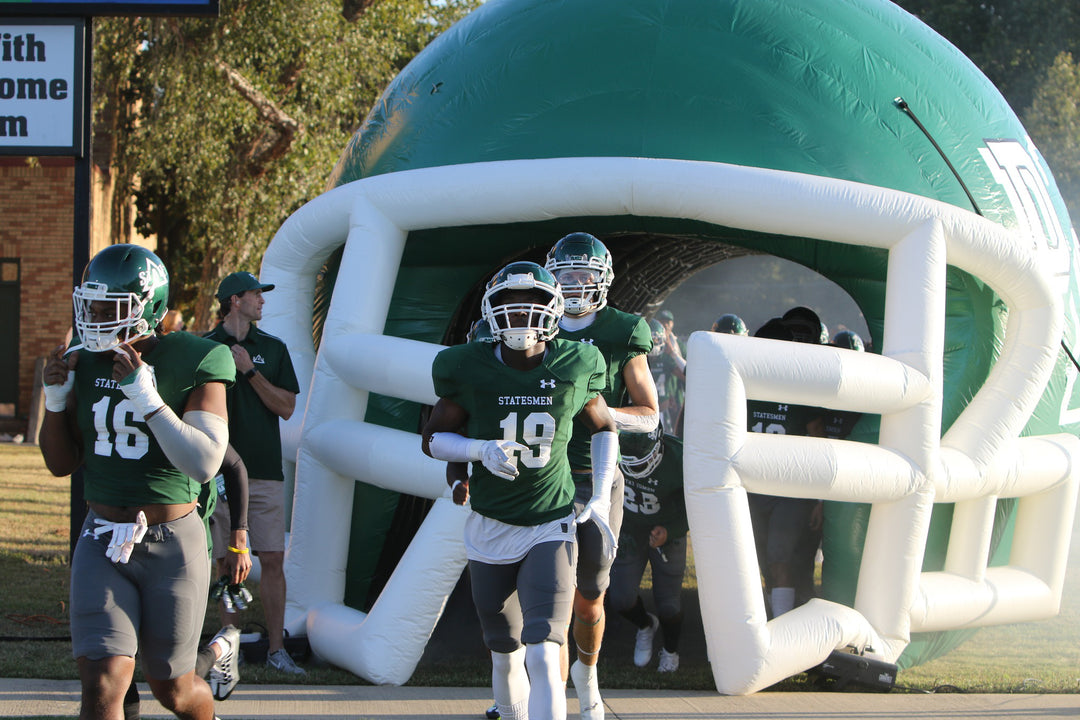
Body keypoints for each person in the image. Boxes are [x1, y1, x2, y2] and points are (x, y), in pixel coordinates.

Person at [39, 243, 233, 720]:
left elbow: (206, 463)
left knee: (174, 691)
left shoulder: (198, 358)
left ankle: (211, 675)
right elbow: (60, 464)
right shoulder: (81, 360)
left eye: (111, 307)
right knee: (103, 685)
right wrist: (55, 401)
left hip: (173, 542)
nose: (96, 316)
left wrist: (148, 399)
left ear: (149, 307)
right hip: (101, 535)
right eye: (91, 304)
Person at [423, 261, 617, 720]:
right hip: (490, 526)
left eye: (531, 306)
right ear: (490, 314)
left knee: (543, 651)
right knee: (505, 652)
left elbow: (606, 427)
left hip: (550, 522)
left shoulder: (575, 361)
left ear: (553, 312)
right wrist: (479, 449)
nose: (521, 317)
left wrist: (603, 495)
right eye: (509, 306)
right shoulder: (465, 366)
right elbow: (432, 440)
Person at [545, 232, 660, 719]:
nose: (573, 285)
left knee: (590, 597)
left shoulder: (623, 330)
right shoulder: (534, 320)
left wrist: (597, 411)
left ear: (603, 281)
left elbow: (650, 414)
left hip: (596, 471)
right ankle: (534, 694)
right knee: (544, 595)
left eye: (583, 276)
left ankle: (586, 679)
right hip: (542, 475)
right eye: (565, 274)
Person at [204, 271, 303, 675]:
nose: (262, 301)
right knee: (227, 562)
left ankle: (277, 650)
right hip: (216, 472)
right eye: (255, 295)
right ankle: (229, 648)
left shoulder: (273, 349)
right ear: (233, 301)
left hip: (264, 473)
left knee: (273, 560)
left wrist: (249, 371)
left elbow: (286, 407)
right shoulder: (204, 348)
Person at [746, 316, 827, 618]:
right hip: (752, 486)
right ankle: (764, 626)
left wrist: (820, 498)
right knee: (753, 561)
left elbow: (820, 443)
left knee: (780, 558)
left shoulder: (800, 387)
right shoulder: (744, 384)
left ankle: (781, 630)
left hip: (788, 489)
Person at [607, 421, 689, 673]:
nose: (635, 469)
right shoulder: (609, 445)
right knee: (620, 598)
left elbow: (698, 503)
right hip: (629, 529)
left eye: (641, 461)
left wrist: (671, 530)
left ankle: (671, 650)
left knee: (669, 604)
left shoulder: (680, 457)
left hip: (667, 530)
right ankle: (645, 625)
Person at [646, 318, 685, 434]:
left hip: (662, 411)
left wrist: (673, 354)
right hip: (642, 413)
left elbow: (686, 377)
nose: (655, 342)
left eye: (657, 339)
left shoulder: (665, 359)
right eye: (652, 339)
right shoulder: (638, 359)